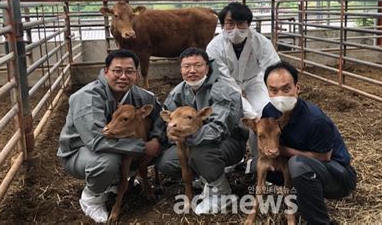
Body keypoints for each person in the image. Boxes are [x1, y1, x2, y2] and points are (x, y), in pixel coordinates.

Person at [57, 49, 162, 223]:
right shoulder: (87, 96)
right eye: (117, 71)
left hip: (116, 146)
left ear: (136, 74)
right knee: (108, 161)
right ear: (106, 71)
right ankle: (92, 198)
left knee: (158, 148)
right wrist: (144, 147)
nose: (123, 76)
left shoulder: (143, 97)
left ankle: (115, 182)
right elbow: (96, 141)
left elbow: (160, 119)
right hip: (80, 152)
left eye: (129, 71)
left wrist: (156, 139)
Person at [152, 47, 248, 214]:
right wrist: (168, 135)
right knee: (166, 162)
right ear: (180, 69)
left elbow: (219, 129)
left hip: (228, 142)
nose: (192, 71)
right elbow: (167, 123)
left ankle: (222, 193)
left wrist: (185, 136)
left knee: (200, 153)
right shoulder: (177, 92)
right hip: (192, 142)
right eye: (186, 66)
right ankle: (206, 178)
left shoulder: (222, 91)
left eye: (198, 65)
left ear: (207, 67)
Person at [260, 61, 357, 224]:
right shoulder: (269, 111)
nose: (280, 96)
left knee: (298, 165)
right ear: (267, 90)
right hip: (304, 168)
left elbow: (324, 157)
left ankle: (319, 221)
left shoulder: (315, 120)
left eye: (286, 89)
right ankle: (299, 195)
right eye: (273, 90)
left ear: (298, 88)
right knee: (261, 162)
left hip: (337, 176)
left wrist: (281, 150)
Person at [206, 2, 280, 119]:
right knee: (238, 113)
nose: (235, 29)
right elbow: (223, 78)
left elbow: (273, 68)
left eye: (240, 23)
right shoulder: (214, 47)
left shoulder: (261, 42)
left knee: (265, 110)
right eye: (230, 23)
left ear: (248, 24)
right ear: (223, 25)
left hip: (254, 79)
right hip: (228, 82)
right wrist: (249, 112)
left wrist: (276, 93)